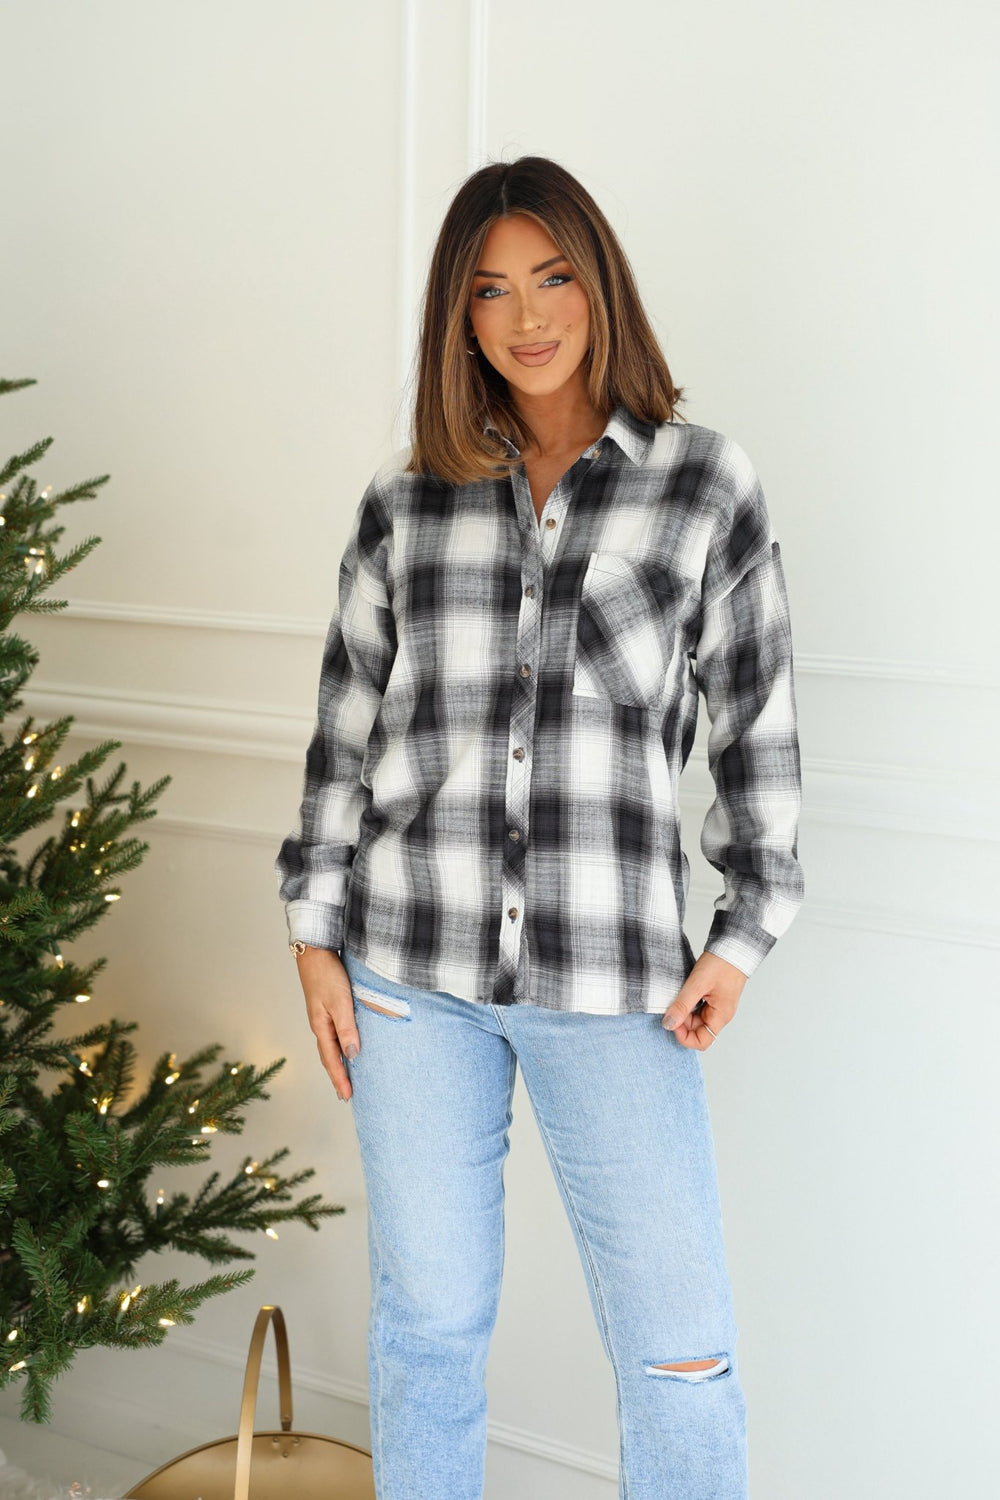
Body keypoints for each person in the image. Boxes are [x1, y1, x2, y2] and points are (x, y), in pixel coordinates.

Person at [275, 154, 804, 1500]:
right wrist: (314, 938)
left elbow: (756, 724)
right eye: (490, 289)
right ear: (457, 317)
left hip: (612, 981)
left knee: (682, 1356)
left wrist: (743, 936)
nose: (526, 317)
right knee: (428, 1332)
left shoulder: (701, 484)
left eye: (552, 276)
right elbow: (347, 729)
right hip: (407, 980)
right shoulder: (406, 503)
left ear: (599, 282)